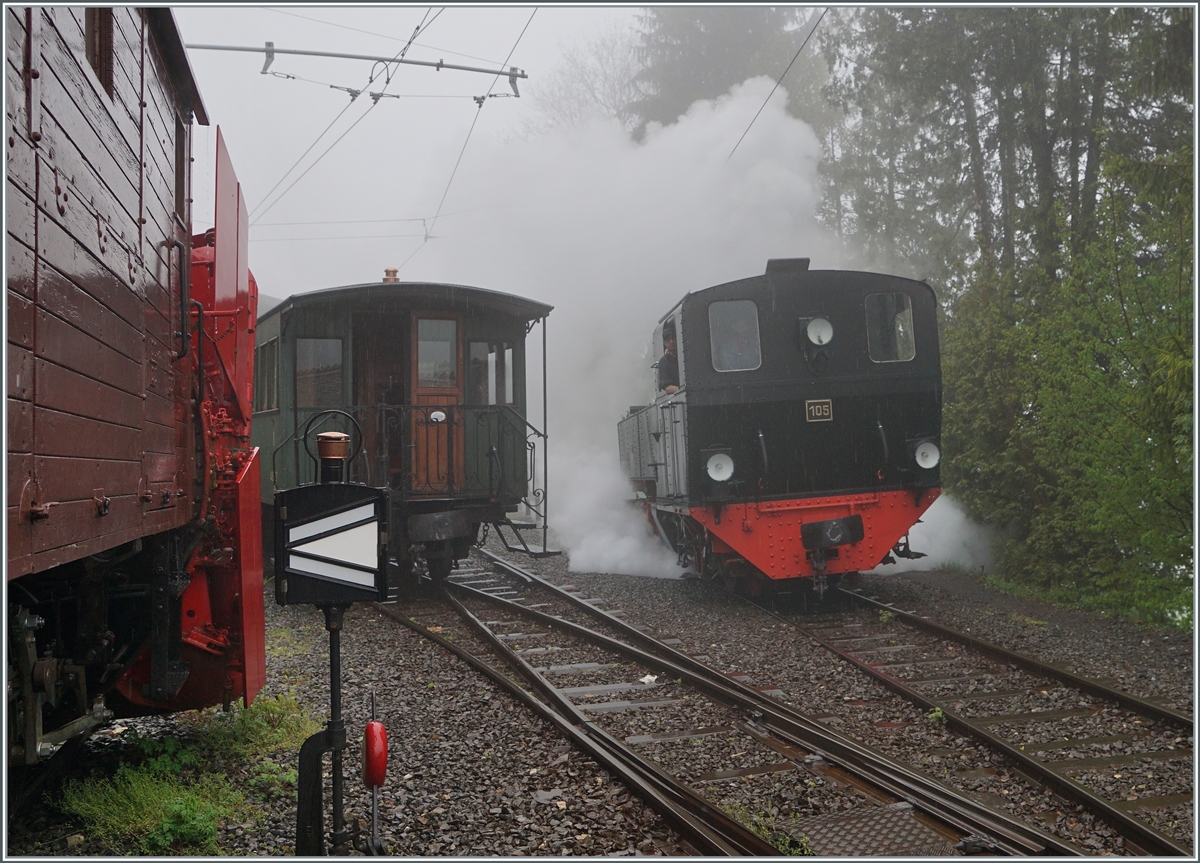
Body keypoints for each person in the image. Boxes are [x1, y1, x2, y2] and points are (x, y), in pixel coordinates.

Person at [657, 325, 679, 394]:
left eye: (673, 338)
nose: (671, 342)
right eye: (668, 339)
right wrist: (682, 390)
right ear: (664, 343)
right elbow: (667, 387)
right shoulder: (664, 362)